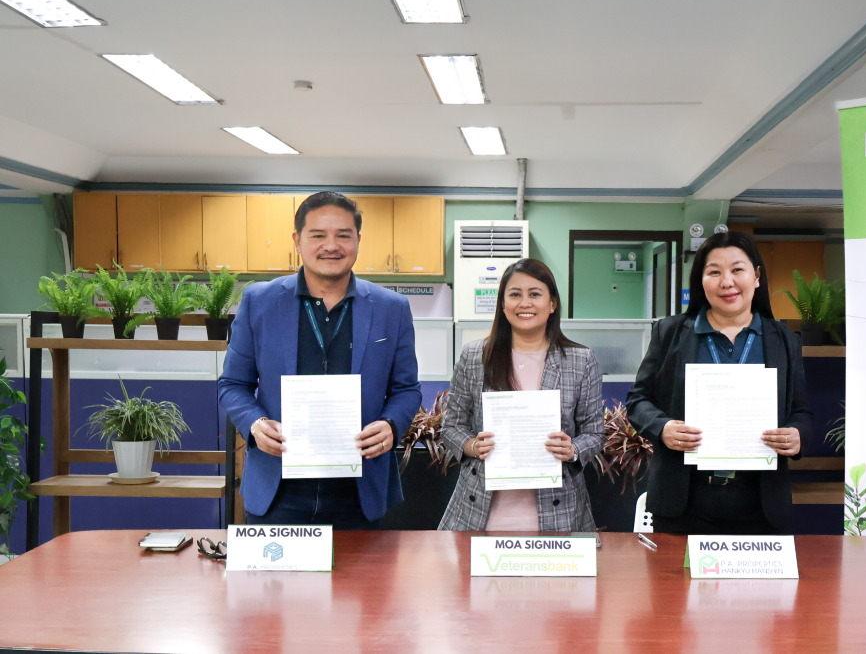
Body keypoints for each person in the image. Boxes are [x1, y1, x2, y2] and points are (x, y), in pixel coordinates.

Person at [218, 191, 422, 528]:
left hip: (360, 490)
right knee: (274, 582)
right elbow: (233, 385)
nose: (332, 245)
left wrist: (391, 424)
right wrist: (254, 425)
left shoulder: (391, 308)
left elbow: (407, 389)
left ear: (358, 240)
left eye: (344, 235)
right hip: (278, 489)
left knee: (364, 583)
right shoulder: (260, 302)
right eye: (318, 235)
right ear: (298, 240)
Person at [626, 231, 813, 535]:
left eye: (737, 269)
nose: (727, 281)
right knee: (677, 583)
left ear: (756, 276)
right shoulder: (670, 333)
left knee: (759, 585)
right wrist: (662, 428)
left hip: (759, 502)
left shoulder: (784, 340)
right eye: (714, 271)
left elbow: (802, 412)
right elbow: (638, 401)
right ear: (701, 280)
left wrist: (797, 435)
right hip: (684, 501)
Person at [438, 258, 605, 531]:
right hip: (480, 510)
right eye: (515, 295)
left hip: (559, 510)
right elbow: (452, 426)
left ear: (552, 304)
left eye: (535, 294)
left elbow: (595, 433)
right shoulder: (475, 356)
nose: (524, 303)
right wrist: (472, 446)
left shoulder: (581, 360)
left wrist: (573, 449)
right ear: (503, 305)